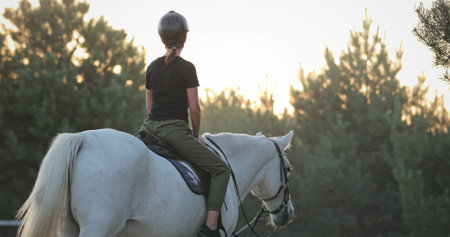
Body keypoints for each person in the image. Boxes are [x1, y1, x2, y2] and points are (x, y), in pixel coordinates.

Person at [138, 10, 231, 237]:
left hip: (147, 128)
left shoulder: (151, 67)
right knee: (221, 169)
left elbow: (149, 108)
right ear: (185, 39)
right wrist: (195, 135)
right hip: (175, 131)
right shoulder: (187, 67)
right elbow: (195, 109)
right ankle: (210, 227)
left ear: (161, 39)